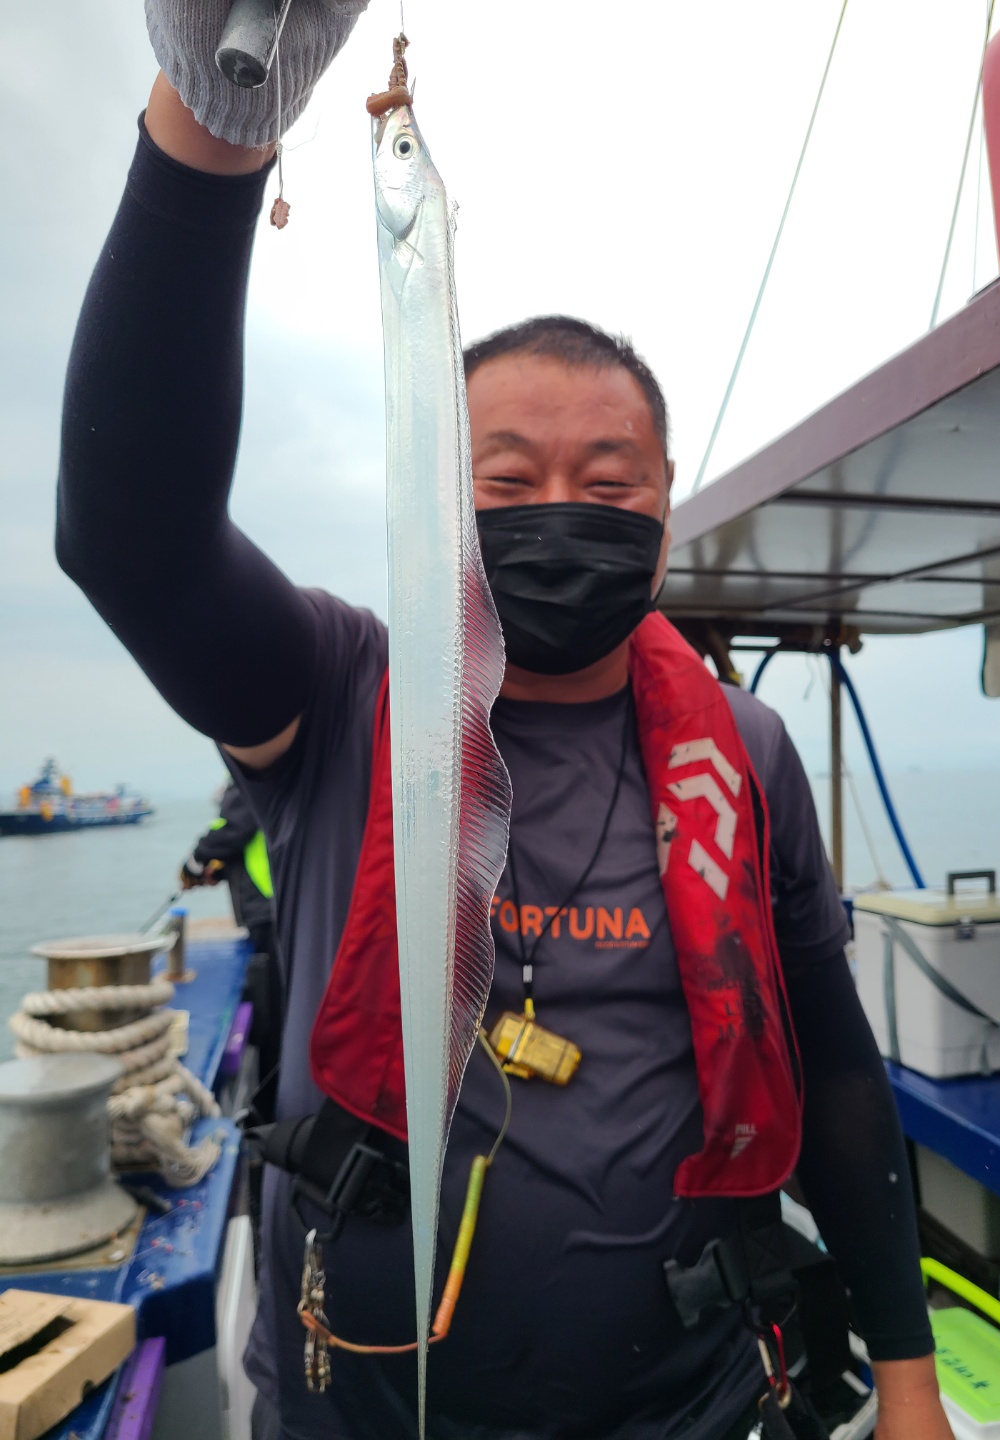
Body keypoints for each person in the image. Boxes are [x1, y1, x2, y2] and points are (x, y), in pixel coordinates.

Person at [55, 9, 953, 1438]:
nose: (560, 513)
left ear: (666, 522)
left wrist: (909, 1380)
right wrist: (210, 130)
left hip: (696, 1406)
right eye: (507, 479)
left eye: (609, 483)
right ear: (433, 494)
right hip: (361, 1403)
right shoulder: (340, 691)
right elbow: (131, 537)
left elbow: (837, 1073)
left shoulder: (745, 756)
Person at [181, 781, 275, 958]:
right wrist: (221, 871)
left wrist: (195, 863)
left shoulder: (249, 775)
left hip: (266, 901)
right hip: (270, 900)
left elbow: (235, 828)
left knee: (270, 967)